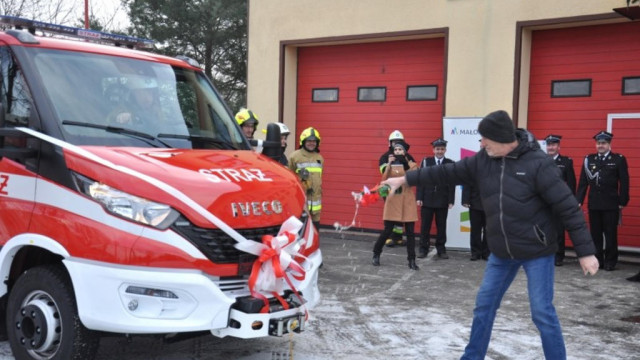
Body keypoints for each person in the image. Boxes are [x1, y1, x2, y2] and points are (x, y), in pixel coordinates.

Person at [382, 110, 599, 359]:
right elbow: (445, 173)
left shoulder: (539, 164)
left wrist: (586, 251)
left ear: (503, 138)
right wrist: (406, 179)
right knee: (484, 306)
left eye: (486, 139)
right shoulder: (483, 160)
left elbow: (568, 207)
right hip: (501, 252)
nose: (482, 144)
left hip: (536, 251)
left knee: (542, 312)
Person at [576, 131, 629, 271]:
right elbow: (583, 182)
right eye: (598, 143)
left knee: (610, 233)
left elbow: (624, 181)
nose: (600, 146)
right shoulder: (589, 159)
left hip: (611, 204)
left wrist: (623, 200)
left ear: (609, 144)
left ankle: (611, 261)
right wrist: (578, 200)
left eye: (603, 143)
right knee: (595, 234)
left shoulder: (618, 159)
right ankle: (598, 259)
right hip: (594, 203)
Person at [372, 142, 419, 270]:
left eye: (400, 149)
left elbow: (415, 177)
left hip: (407, 201)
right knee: (387, 230)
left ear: (405, 152)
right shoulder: (391, 165)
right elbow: (384, 180)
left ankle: (412, 260)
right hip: (393, 200)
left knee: (410, 233)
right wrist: (388, 165)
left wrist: (406, 162)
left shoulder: (411, 163)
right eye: (396, 149)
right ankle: (376, 253)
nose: (397, 151)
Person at [416, 138, 455, 259]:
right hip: (427, 199)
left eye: (442, 149)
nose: (440, 151)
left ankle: (441, 250)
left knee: (441, 226)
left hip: (442, 200)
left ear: (445, 150)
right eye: (437, 149)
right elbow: (420, 179)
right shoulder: (426, 162)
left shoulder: (450, 163)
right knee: (425, 226)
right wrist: (419, 197)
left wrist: (451, 200)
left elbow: (452, 183)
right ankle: (423, 249)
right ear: (433, 150)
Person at [378, 130, 416, 247]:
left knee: (401, 214)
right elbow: (384, 172)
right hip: (389, 190)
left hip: (403, 191)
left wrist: (405, 162)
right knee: (390, 214)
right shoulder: (385, 157)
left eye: (399, 142)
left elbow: (415, 172)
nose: (396, 145)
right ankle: (389, 238)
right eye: (394, 142)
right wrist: (390, 164)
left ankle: (398, 237)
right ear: (390, 143)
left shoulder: (408, 156)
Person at [545, 134, 577, 266]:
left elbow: (571, 183)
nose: (551, 147)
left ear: (559, 146)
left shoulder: (566, 162)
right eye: (549, 145)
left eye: (553, 145)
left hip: (558, 202)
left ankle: (558, 256)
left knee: (558, 230)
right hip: (544, 202)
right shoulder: (541, 160)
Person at [289, 127, 324, 229]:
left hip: (316, 203)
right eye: (309, 141)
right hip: (301, 203)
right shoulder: (294, 157)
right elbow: (289, 178)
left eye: (314, 141)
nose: (311, 143)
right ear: (303, 141)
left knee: (315, 230)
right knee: (302, 230)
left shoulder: (319, 158)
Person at [461, 184, 489, 261]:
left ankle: (486, 253)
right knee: (475, 230)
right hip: (474, 203)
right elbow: (467, 184)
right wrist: (465, 200)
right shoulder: (473, 171)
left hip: (490, 205)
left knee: (488, 231)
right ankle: (476, 253)